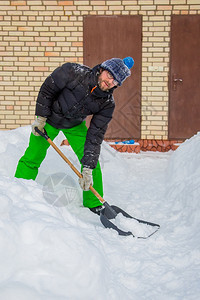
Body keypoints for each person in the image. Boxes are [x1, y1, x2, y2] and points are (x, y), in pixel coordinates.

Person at [15, 57, 134, 214]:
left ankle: (94, 203)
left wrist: (87, 168)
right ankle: (18, 190)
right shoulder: (72, 72)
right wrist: (41, 118)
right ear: (102, 70)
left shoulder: (107, 103)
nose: (110, 82)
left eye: (116, 81)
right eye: (110, 75)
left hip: (74, 125)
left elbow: (95, 135)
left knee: (92, 164)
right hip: (50, 118)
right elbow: (47, 90)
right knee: (33, 155)